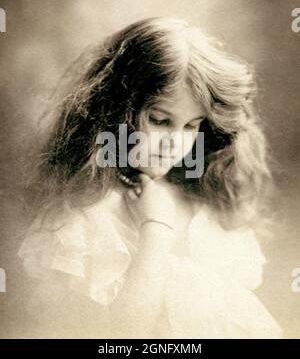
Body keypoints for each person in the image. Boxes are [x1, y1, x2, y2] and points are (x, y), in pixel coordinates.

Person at [17, 17, 283, 338]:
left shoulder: (206, 204)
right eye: (159, 120)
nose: (175, 143)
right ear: (116, 112)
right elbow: (125, 338)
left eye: (191, 126)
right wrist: (155, 229)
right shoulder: (86, 217)